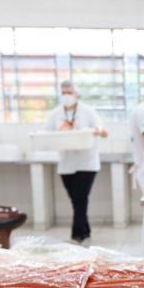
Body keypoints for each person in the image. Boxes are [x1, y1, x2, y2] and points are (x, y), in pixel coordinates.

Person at [45, 81, 108, 244]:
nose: (66, 96)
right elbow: (46, 134)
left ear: (77, 94)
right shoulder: (55, 114)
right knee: (76, 199)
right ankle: (85, 230)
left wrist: (95, 131)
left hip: (87, 162)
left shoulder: (88, 111)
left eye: (69, 92)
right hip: (66, 163)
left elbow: (103, 131)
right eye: (63, 92)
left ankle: (77, 235)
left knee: (80, 197)